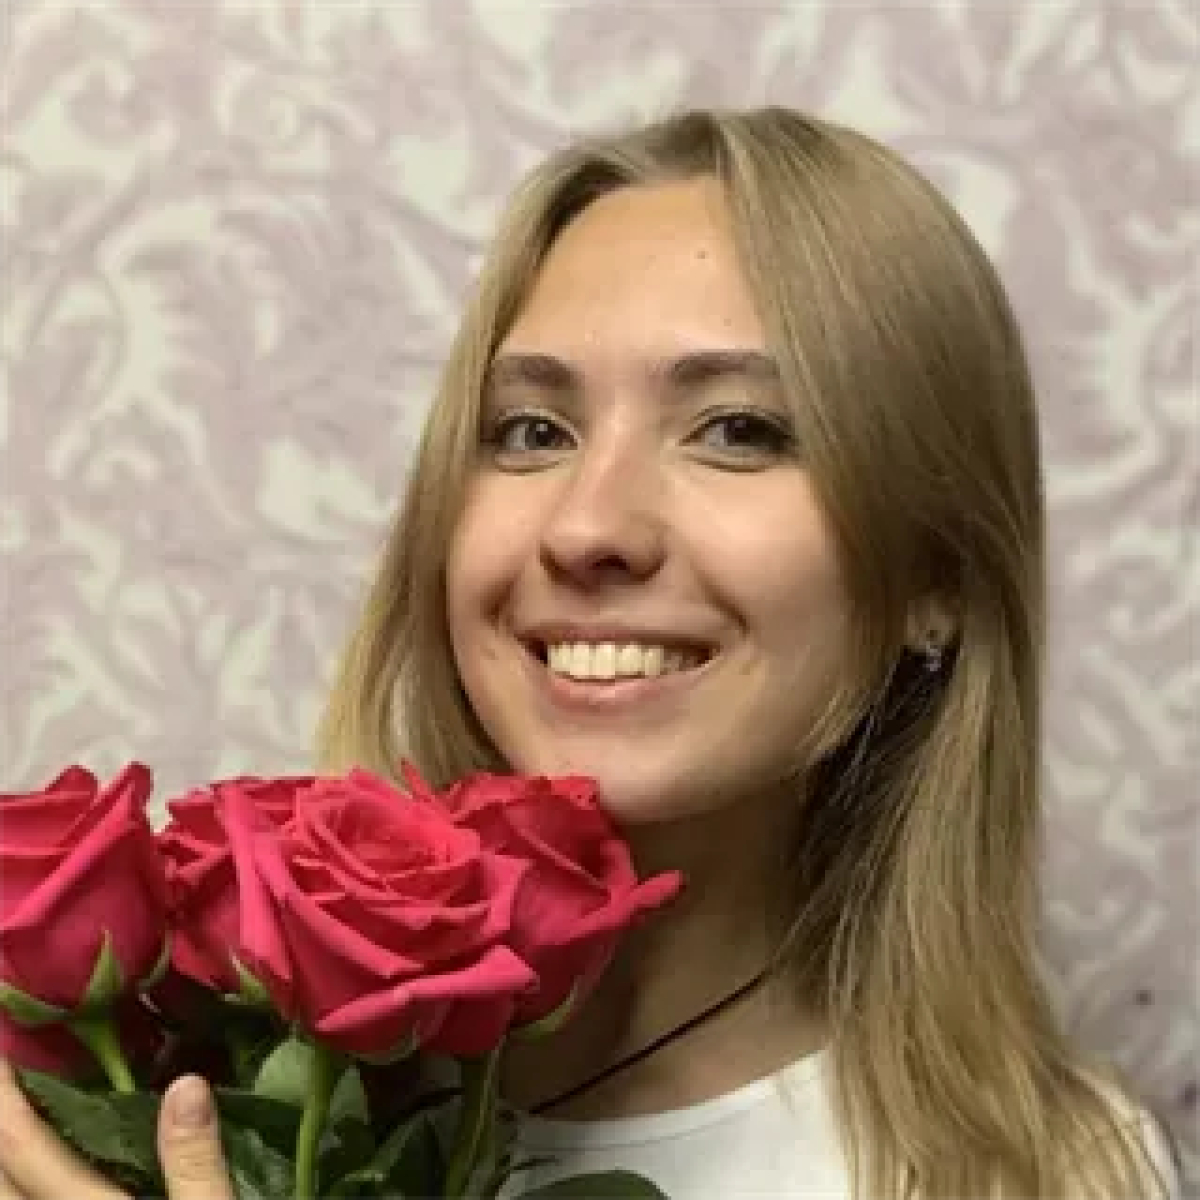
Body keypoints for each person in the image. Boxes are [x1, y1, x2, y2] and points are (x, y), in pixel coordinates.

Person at [0, 106, 1181, 1199]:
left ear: (937, 579)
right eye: (532, 430)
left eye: (738, 430)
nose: (586, 526)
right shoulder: (182, 1096)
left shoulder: (1057, 1174)